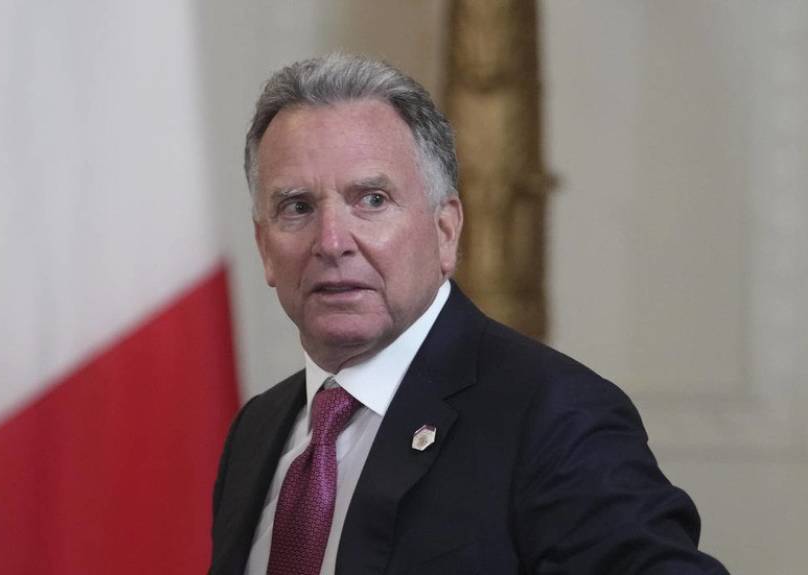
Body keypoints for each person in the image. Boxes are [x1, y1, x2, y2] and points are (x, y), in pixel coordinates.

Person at [209, 53, 728, 575]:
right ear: (264, 247)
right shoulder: (258, 430)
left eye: (372, 200)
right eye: (297, 207)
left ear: (445, 230)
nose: (331, 241)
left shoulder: (553, 415)